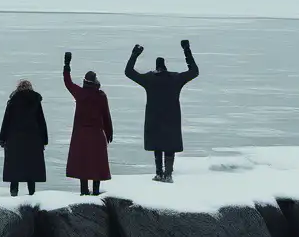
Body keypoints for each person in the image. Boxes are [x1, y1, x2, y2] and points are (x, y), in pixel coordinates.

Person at [125, 39, 199, 183]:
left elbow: (128, 72)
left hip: (154, 118)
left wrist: (134, 54)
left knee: (157, 144)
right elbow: (194, 71)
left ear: (157, 68)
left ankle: (159, 173)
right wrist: (186, 50)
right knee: (169, 145)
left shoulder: (149, 79)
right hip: (172, 118)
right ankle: (168, 174)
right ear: (165, 67)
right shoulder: (175, 78)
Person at [63, 52, 114, 195]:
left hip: (81, 135)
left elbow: (68, 82)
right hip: (97, 134)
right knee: (97, 163)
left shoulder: (80, 93)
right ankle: (96, 192)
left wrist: (66, 65)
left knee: (83, 163)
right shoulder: (101, 96)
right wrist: (109, 132)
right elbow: (106, 115)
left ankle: (84, 192)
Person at [0, 79, 48, 197]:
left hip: (14, 139)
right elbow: (41, 121)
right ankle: (32, 192)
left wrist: (2, 138)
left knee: (14, 166)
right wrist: (44, 139)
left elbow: (6, 121)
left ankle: (14, 191)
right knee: (31, 166)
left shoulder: (13, 101)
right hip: (33, 138)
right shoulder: (36, 101)